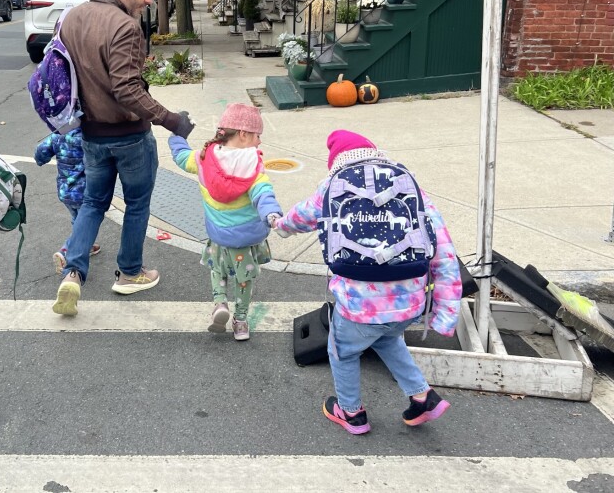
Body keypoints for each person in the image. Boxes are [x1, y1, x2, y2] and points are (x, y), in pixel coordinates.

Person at [275, 130, 461, 434]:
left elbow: (302, 216)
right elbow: (443, 246)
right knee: (388, 338)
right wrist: (445, 313)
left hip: (359, 304)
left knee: (343, 352)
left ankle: (351, 412)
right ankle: (423, 397)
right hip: (410, 302)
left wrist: (280, 226)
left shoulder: (333, 186)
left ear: (336, 162)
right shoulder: (407, 184)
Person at [51, 0, 194, 316]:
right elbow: (128, 90)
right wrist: (172, 120)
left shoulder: (73, 18)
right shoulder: (125, 27)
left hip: (91, 135)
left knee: (93, 203)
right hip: (129, 136)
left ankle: (73, 272)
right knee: (138, 204)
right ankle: (130, 272)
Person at [169, 103, 282, 341]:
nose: (259, 141)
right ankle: (240, 321)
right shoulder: (251, 165)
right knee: (244, 279)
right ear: (243, 134)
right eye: (257, 135)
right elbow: (263, 193)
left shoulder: (202, 158)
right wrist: (271, 213)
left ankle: (220, 303)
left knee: (217, 269)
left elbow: (180, 157)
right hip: (245, 239)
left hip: (219, 235)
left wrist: (178, 134)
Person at [33, 127, 101, 272]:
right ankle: (66, 250)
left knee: (77, 219)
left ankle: (85, 245)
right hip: (86, 191)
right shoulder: (89, 136)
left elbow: (40, 155)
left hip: (65, 191)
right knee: (86, 222)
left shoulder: (58, 135)